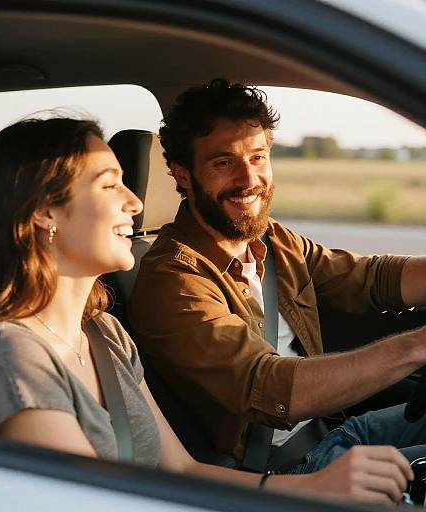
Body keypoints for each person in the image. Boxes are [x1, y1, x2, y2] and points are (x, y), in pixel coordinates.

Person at [0, 116, 412, 506]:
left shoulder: (103, 332)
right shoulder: (11, 360)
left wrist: (310, 489)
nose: (136, 202)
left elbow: (182, 469)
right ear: (44, 212)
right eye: (110, 186)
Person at [128, 79, 426, 480]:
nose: (249, 179)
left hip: (337, 431)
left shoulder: (270, 238)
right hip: (292, 471)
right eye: (223, 163)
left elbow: (370, 278)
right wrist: (417, 347)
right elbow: (270, 388)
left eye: (258, 157)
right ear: (182, 175)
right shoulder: (174, 279)